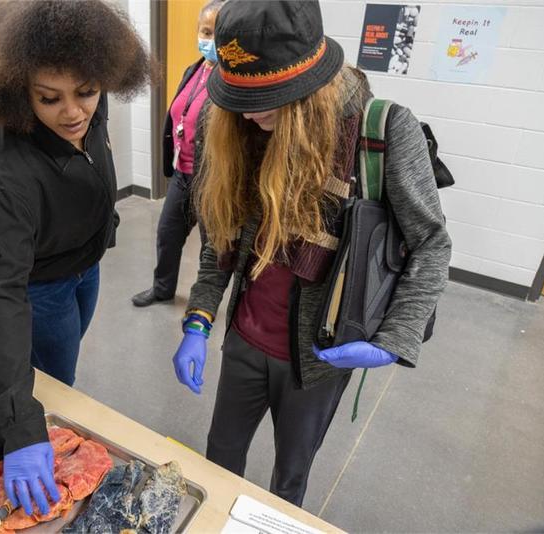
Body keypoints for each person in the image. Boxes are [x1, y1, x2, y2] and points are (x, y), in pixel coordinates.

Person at [172, 0, 451, 506]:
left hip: (319, 357)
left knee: (290, 477)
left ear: (309, 86)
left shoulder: (383, 129)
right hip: (245, 339)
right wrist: (199, 317)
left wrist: (395, 336)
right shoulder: (237, 124)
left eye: (266, 99)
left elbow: (432, 243)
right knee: (219, 456)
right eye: (239, 95)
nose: (248, 111)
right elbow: (221, 235)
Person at [0, 0, 152, 517]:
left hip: (83, 267)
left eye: (87, 92)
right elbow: (2, 298)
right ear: (18, 92)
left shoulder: (87, 101)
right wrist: (19, 426)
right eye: (49, 99)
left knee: (59, 371)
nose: (73, 113)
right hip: (38, 289)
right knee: (53, 383)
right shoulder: (4, 181)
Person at [132, 0, 224, 307]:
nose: (209, 40)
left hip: (212, 181)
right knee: (167, 234)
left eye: (218, 34)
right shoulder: (193, 69)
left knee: (210, 248)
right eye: (206, 31)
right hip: (182, 175)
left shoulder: (232, 82)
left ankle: (201, 303)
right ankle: (162, 289)